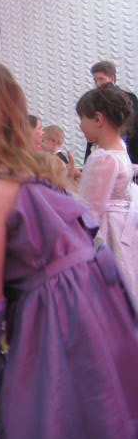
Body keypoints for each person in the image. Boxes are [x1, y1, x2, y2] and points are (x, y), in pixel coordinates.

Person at [0, 59, 138, 439]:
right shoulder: (41, 173)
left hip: (58, 322)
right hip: (103, 311)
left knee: (47, 437)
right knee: (99, 422)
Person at [76, 83, 138, 304]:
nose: (80, 125)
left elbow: (89, 208)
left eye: (82, 118)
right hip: (125, 227)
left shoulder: (102, 158)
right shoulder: (120, 148)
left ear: (98, 119)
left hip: (108, 230)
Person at [84, 60, 138, 163]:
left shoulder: (130, 99)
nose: (98, 84)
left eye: (101, 79)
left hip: (128, 153)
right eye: (95, 80)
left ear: (112, 78)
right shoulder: (94, 101)